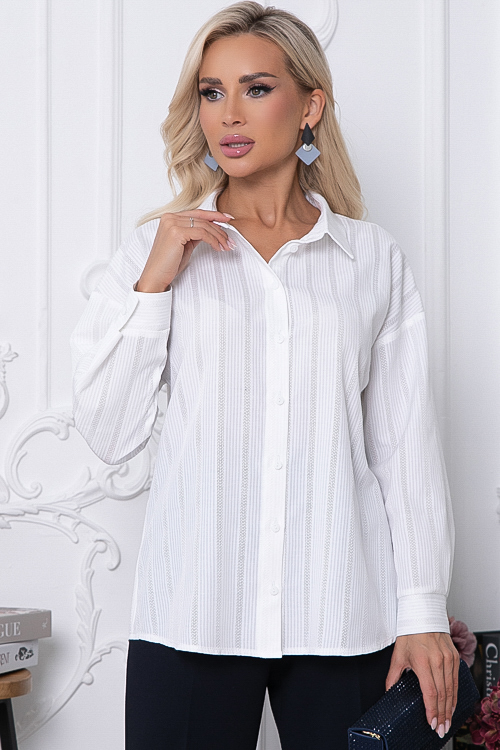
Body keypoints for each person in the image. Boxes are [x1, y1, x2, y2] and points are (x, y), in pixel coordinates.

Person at [70, 3, 459, 748]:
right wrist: (155, 281)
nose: (229, 114)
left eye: (255, 88)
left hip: (340, 613)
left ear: (310, 106)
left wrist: (422, 612)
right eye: (211, 92)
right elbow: (108, 434)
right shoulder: (154, 252)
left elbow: (404, 448)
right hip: (192, 614)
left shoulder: (372, 261)